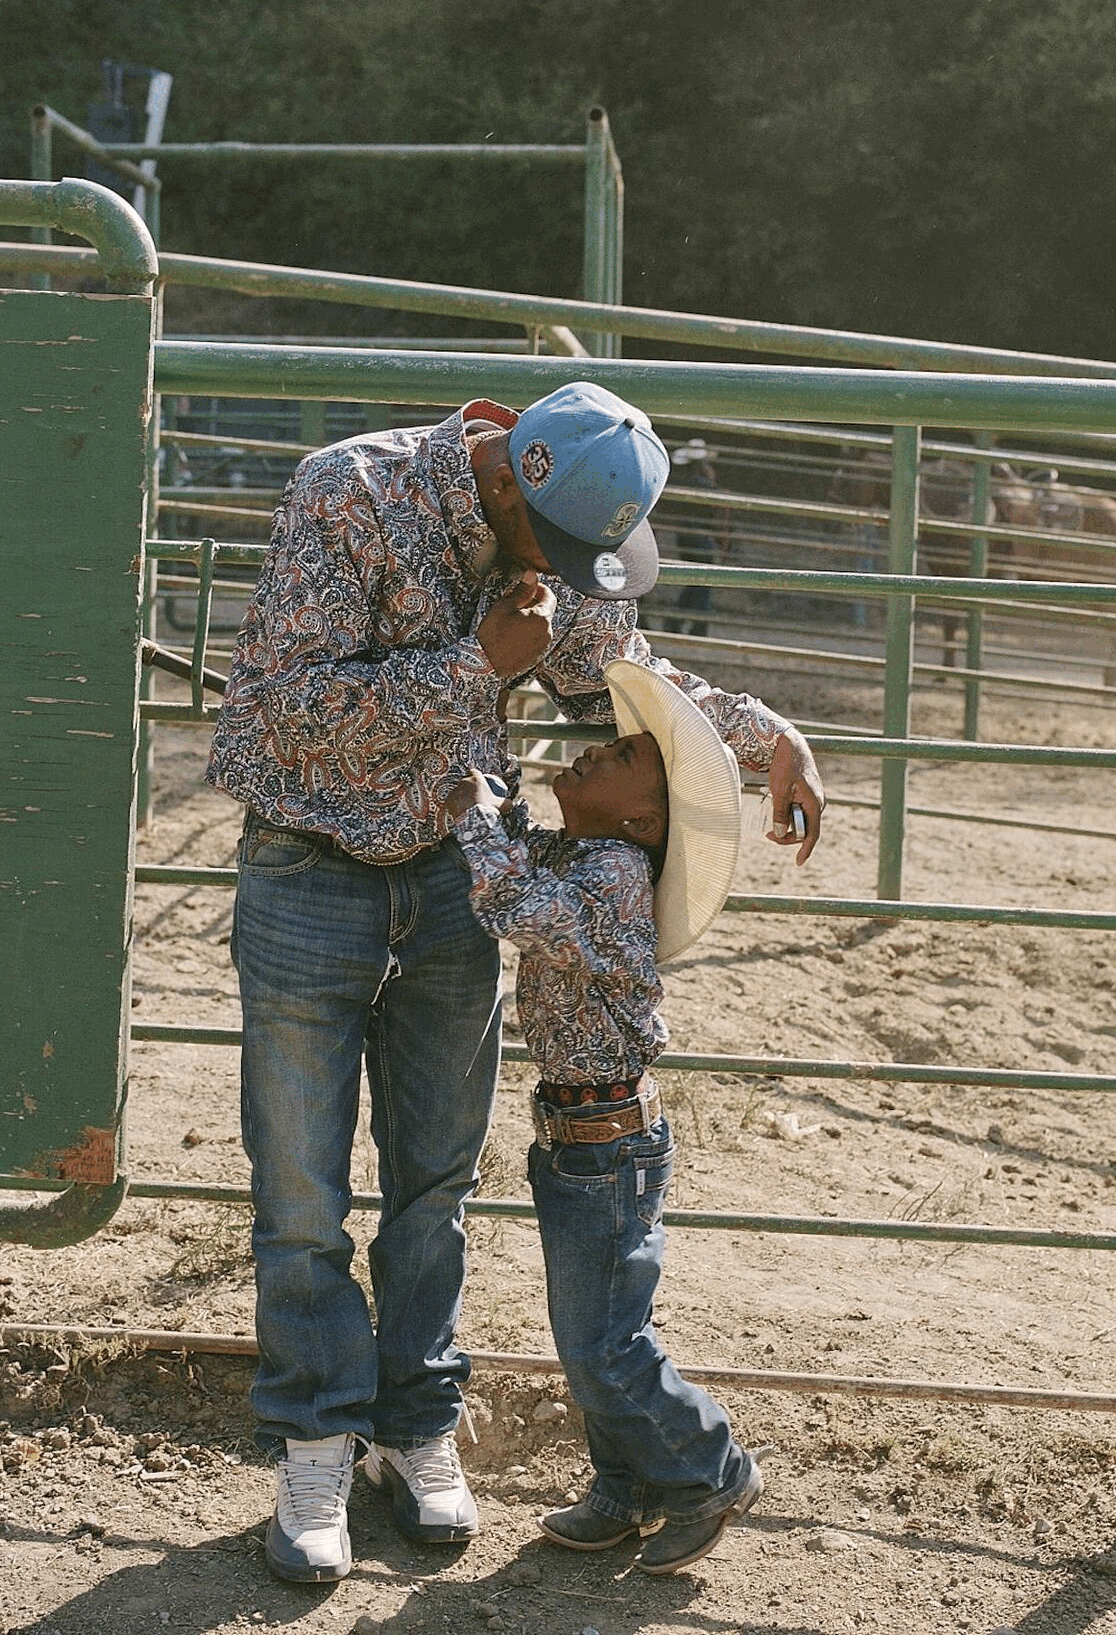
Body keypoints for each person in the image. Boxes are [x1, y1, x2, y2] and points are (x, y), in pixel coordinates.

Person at [203, 379, 825, 1583]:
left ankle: (415, 1426)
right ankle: (317, 1438)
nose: (587, 579)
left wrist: (764, 737)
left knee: (434, 1183)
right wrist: (470, 667)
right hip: (310, 868)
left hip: (451, 883)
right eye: (575, 553)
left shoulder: (541, 535)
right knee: (296, 1189)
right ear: (504, 484)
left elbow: (617, 671)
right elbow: (279, 717)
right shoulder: (349, 493)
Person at [439, 657, 761, 1575]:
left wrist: (470, 814)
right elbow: (523, 850)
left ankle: (711, 1466)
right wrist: (496, 806)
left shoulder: (614, 874)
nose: (597, 747)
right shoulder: (594, 852)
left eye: (623, 755)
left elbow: (512, 901)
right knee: (591, 1337)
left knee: (604, 1342)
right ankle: (626, 1488)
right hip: (584, 1137)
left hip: (605, 1146)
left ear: (642, 821)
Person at [668, 437, 730, 637]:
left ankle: (680, 621)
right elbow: (719, 509)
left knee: (696, 581)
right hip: (701, 537)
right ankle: (696, 625)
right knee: (703, 581)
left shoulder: (685, 483)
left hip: (685, 536)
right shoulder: (705, 485)